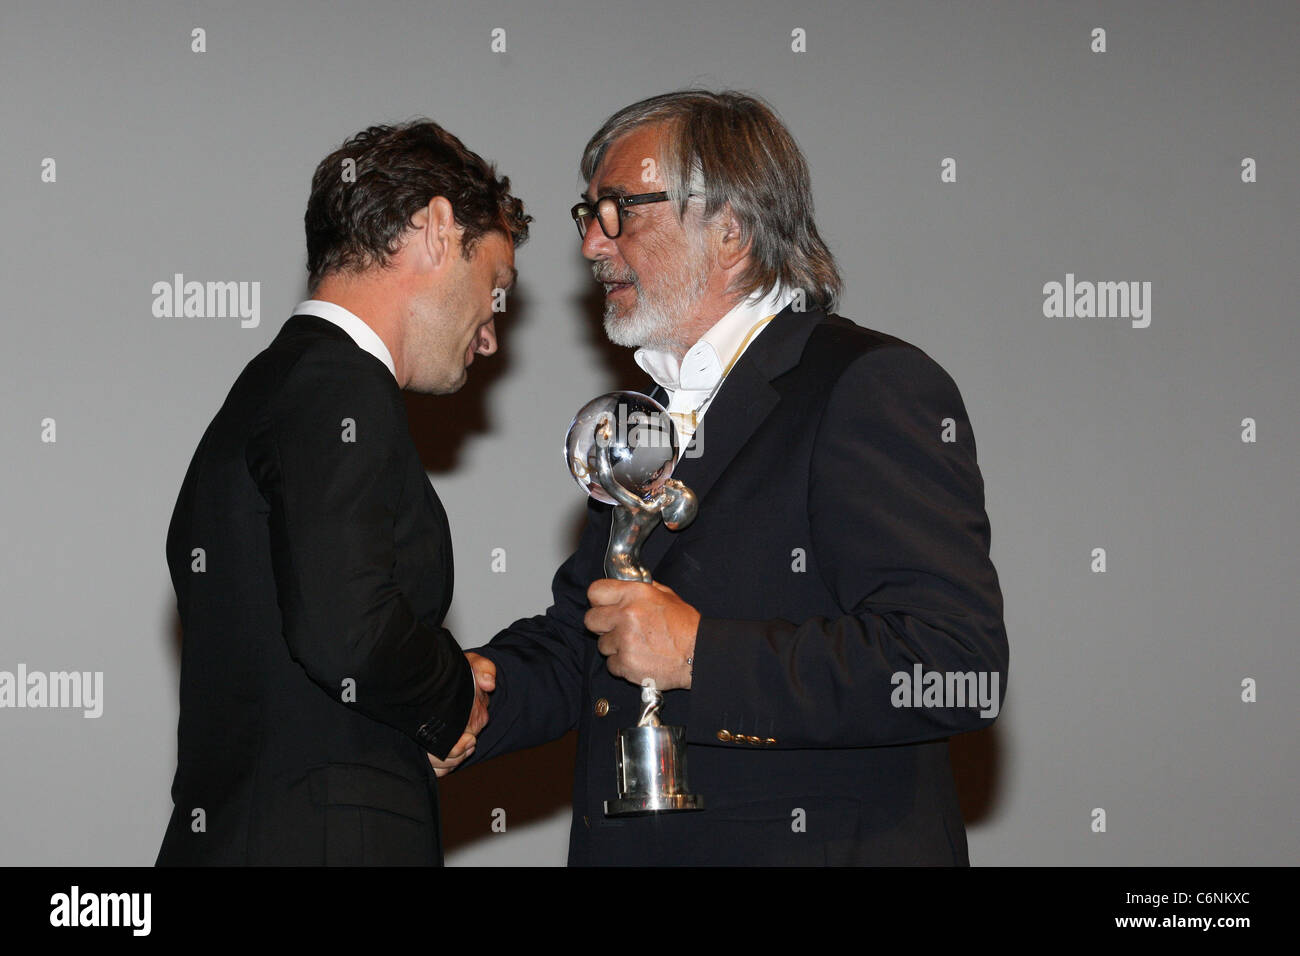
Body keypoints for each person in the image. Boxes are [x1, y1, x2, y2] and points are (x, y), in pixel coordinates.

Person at [442, 91, 1009, 866]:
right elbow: (594, 641)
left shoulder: (866, 385)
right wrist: (472, 694)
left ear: (731, 230)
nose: (592, 247)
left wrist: (701, 655)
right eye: (589, 214)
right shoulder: (645, 419)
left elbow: (955, 667)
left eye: (621, 211)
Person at [157, 120, 529, 865]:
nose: (492, 335)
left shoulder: (275, 387)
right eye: (496, 289)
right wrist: (452, 694)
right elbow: (346, 631)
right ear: (433, 226)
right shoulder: (336, 386)